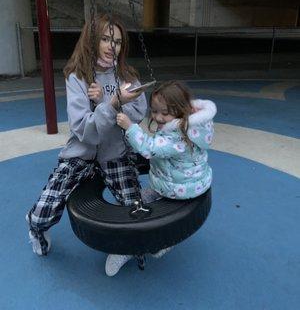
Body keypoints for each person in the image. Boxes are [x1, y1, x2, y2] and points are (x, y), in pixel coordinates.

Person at [26, 14, 147, 277]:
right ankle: (36, 228)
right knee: (41, 214)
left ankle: (129, 247)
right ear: (92, 40)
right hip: (81, 153)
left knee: (135, 209)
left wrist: (111, 101)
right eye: (105, 38)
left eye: (116, 41)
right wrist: (112, 104)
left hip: (114, 152)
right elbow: (83, 130)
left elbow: (139, 111)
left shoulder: (126, 75)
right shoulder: (78, 77)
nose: (110, 46)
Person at [116, 80, 217, 201]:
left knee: (137, 201)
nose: (158, 117)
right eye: (154, 111)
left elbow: (149, 148)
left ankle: (158, 196)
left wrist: (130, 127)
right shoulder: (194, 127)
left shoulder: (177, 137)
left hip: (178, 190)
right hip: (195, 182)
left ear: (181, 110)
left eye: (165, 112)